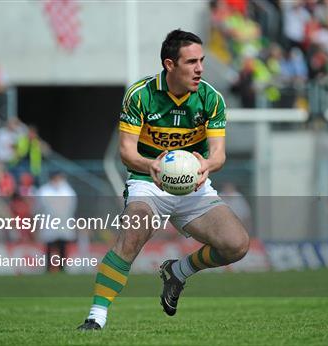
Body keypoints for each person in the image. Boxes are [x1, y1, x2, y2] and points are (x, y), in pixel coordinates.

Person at [78, 29, 249, 330]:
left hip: (193, 185)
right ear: (170, 65)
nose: (200, 69)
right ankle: (96, 317)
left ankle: (179, 272)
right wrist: (151, 164)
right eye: (191, 62)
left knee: (237, 245)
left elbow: (219, 155)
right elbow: (127, 153)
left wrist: (207, 164)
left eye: (202, 61)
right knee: (132, 236)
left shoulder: (211, 98)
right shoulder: (140, 95)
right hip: (148, 181)